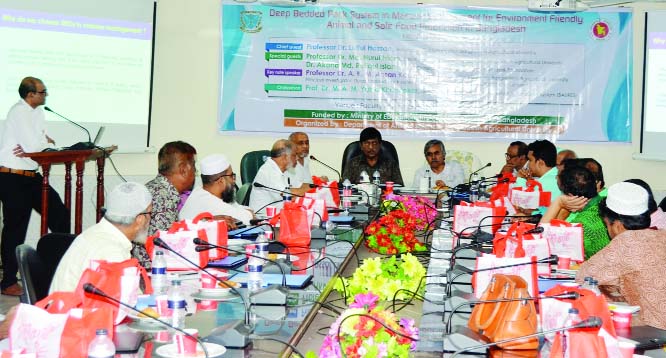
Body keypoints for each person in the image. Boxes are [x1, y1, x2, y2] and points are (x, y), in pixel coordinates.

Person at [0, 77, 70, 296]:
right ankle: (8, 281)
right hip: (12, 177)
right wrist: (41, 144)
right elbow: (34, 145)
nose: (45, 95)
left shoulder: (39, 112)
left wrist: (41, 143)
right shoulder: (18, 112)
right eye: (42, 92)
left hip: (33, 175)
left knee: (60, 214)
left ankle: (57, 268)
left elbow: (37, 143)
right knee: (15, 229)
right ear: (30, 95)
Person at [576, 182, 666, 329]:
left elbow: (584, 278)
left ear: (617, 225)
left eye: (607, 225)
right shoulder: (661, 234)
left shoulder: (626, 241)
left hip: (656, 332)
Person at [50, 182, 152, 293]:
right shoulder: (112, 253)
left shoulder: (95, 233)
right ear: (140, 219)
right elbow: (128, 306)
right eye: (151, 213)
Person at [131, 141, 196, 269]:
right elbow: (161, 250)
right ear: (183, 169)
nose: (195, 172)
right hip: (152, 273)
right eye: (194, 167)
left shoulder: (155, 187)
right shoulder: (164, 197)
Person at [540, 164, 610, 259]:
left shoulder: (582, 223)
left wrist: (558, 202)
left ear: (570, 196)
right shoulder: (607, 201)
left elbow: (541, 242)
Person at [180, 154, 254, 225]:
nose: (234, 180)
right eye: (231, 176)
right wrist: (248, 214)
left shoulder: (203, 192)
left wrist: (247, 213)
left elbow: (240, 208)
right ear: (221, 181)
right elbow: (248, 218)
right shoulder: (209, 202)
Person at [249, 139, 309, 212]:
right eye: (294, 155)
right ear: (285, 157)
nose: (297, 158)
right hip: (263, 218)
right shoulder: (269, 170)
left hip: (281, 214)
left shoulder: (286, 170)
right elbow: (286, 194)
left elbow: (301, 186)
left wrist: (317, 188)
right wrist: (307, 192)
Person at [516, 139, 562, 215]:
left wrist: (520, 179)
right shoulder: (558, 176)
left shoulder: (542, 183)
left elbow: (520, 206)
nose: (528, 165)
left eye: (530, 160)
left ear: (540, 163)